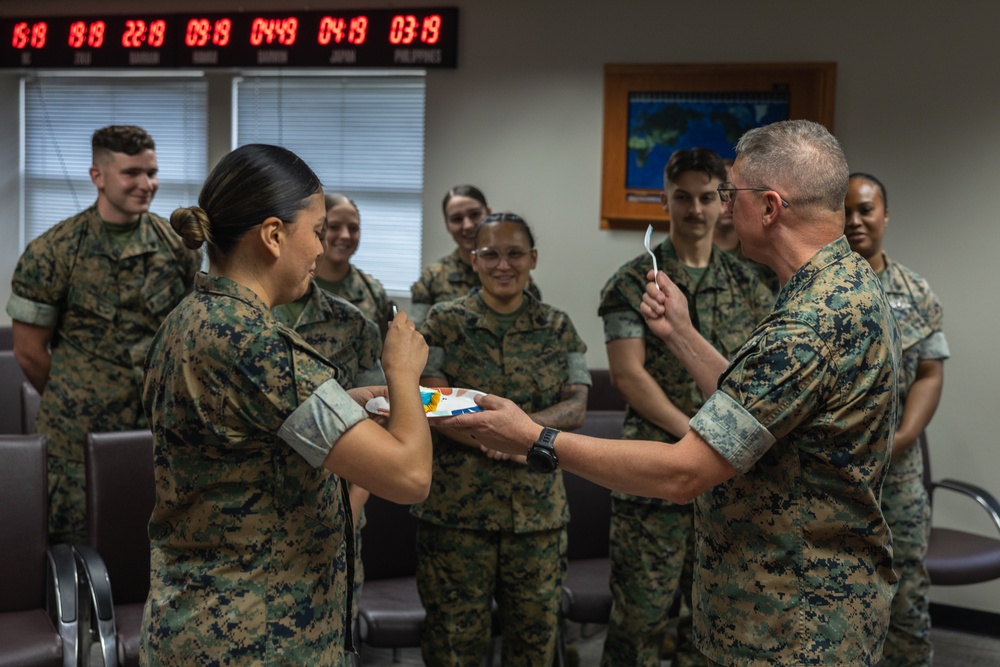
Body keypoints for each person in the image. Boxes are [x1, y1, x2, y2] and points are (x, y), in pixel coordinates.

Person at [436, 120, 901, 666]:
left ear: (770, 207)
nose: (724, 209)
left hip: (792, 619)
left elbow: (684, 473)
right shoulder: (846, 287)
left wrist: (533, 436)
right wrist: (681, 333)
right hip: (807, 599)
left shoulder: (808, 326)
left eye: (730, 194)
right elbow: (761, 410)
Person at [141, 143, 432, 666]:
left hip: (196, 619)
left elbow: (253, 437)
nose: (323, 249)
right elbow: (410, 475)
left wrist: (343, 404)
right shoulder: (259, 345)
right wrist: (403, 374)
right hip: (261, 635)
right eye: (317, 232)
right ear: (274, 235)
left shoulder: (191, 317)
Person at [597, 148, 773, 667]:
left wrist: (716, 443)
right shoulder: (636, 282)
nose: (694, 209)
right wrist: (696, 430)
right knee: (640, 622)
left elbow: (756, 378)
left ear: (723, 202)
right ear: (664, 201)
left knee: (714, 624)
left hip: (727, 482)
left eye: (705, 197)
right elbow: (629, 376)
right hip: (654, 471)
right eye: (682, 198)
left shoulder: (751, 285)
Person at [5, 124, 201, 545]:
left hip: (159, 428)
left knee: (156, 546)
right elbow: (29, 352)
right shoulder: (54, 250)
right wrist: (77, 395)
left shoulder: (177, 246)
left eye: (152, 172)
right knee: (76, 547)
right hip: (78, 436)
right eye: (132, 173)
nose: (146, 184)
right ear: (98, 176)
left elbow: (191, 333)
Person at [414, 212, 590, 666]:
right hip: (457, 516)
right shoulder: (444, 322)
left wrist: (523, 434)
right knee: (455, 645)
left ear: (532, 258)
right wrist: (502, 439)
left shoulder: (558, 326)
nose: (502, 264)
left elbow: (576, 406)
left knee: (533, 646)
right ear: (474, 260)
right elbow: (433, 403)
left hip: (537, 517)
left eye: (514, 253)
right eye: (490, 254)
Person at [845, 172, 948, 667]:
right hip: (836, 473)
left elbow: (930, 371)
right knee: (836, 595)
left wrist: (903, 438)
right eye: (844, 210)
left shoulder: (914, 290)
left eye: (865, 209)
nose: (854, 220)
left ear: (884, 216)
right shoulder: (818, 287)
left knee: (905, 588)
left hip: (898, 474)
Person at [272, 231, 387, 624]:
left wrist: (352, 507)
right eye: (316, 232)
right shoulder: (238, 324)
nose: (322, 247)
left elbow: (377, 418)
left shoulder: (352, 323)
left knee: (334, 632)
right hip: (259, 519)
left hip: (338, 505)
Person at [409, 184, 541, 327]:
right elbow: (417, 332)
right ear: (447, 224)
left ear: (488, 213)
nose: (468, 225)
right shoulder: (433, 277)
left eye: (474, 215)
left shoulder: (513, 275)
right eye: (457, 219)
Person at [314, 193, 391, 333]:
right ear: (318, 230)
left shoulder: (373, 292)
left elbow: (386, 349)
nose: (345, 235)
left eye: (353, 228)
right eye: (334, 226)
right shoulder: (295, 287)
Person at [713, 158, 779, 293]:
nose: (728, 202)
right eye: (722, 193)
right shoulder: (689, 255)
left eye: (734, 194)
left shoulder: (761, 258)